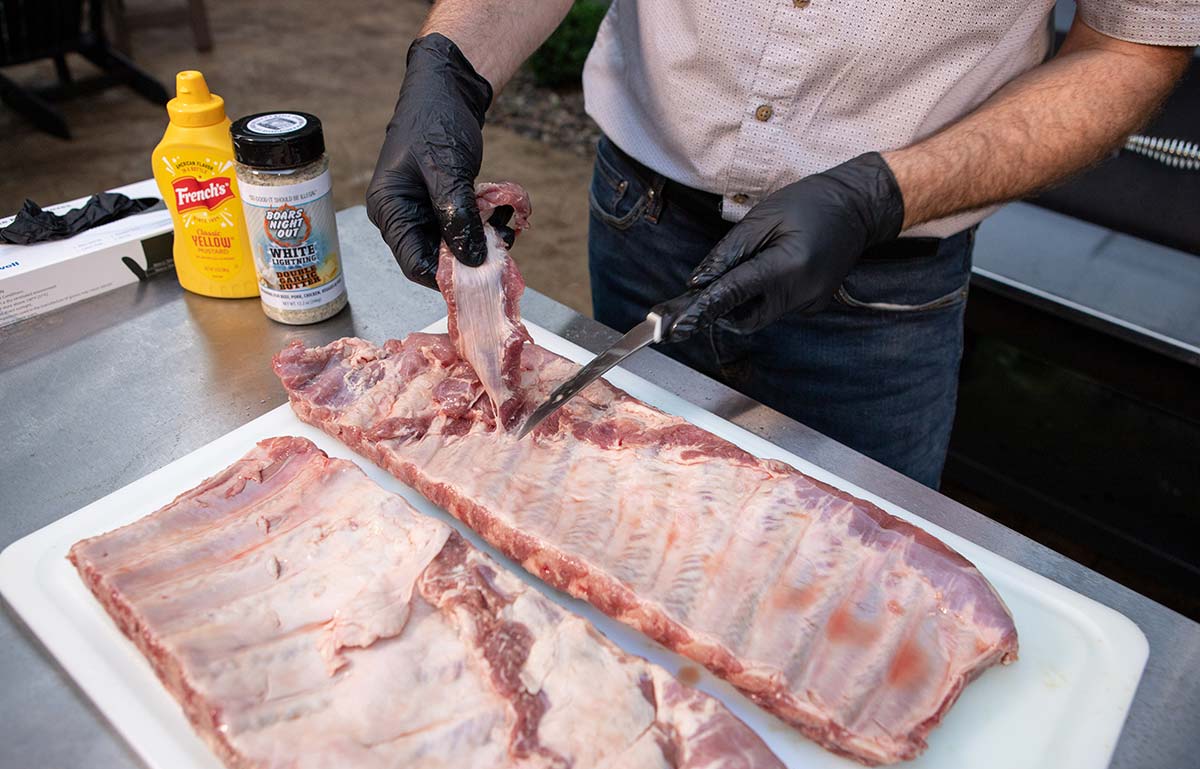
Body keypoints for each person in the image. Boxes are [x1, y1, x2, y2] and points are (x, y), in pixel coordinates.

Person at [366, 0, 1197, 488]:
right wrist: (449, 64)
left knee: (846, 593)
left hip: (879, 285)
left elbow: (1130, 47)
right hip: (641, 219)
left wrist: (879, 195)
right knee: (601, 516)